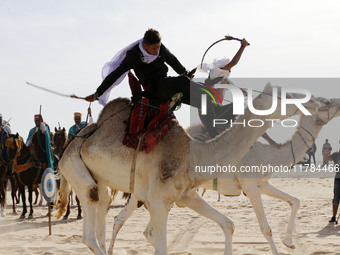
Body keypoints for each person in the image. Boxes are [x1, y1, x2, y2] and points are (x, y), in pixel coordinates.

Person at [85, 28, 249, 137]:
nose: (157, 51)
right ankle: (204, 91)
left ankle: (215, 138)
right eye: (154, 48)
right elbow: (115, 74)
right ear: (145, 45)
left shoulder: (160, 48)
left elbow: (172, 60)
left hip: (166, 83)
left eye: (158, 47)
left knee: (204, 102)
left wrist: (184, 71)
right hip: (153, 87)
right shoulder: (133, 56)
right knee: (182, 82)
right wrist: (99, 92)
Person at [328, 152, 340, 222]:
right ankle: (333, 217)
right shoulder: (336, 154)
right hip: (338, 179)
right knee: (336, 197)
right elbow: (328, 158)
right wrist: (327, 152)